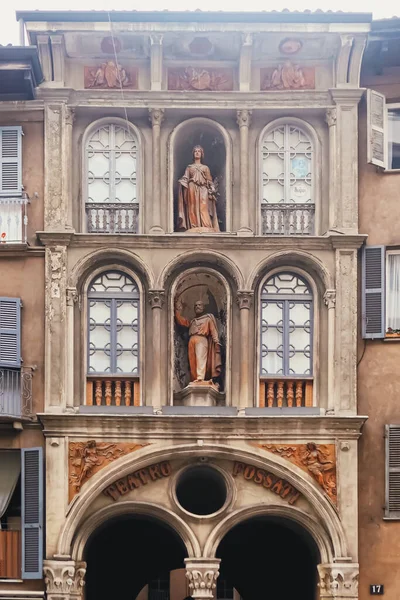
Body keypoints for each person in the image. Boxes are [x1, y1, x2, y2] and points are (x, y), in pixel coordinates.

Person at [175, 299, 222, 386]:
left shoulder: (208, 318)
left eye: (199, 305)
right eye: (195, 305)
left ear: (203, 307)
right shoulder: (192, 321)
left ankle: (200, 378)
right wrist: (176, 311)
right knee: (192, 361)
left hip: (201, 339)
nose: (197, 307)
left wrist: (216, 342)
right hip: (192, 340)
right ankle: (195, 379)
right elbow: (182, 322)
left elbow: (213, 331)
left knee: (200, 359)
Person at [176, 145, 220, 232]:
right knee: (192, 207)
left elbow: (209, 180)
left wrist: (212, 188)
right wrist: (182, 182)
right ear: (193, 154)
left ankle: (205, 225)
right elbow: (186, 178)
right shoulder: (189, 167)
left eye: (199, 151)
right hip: (192, 187)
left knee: (203, 206)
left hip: (203, 188)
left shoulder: (205, 168)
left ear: (201, 154)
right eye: (195, 151)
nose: (197, 152)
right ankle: (194, 226)